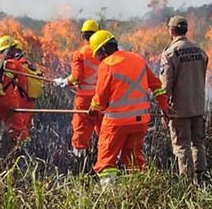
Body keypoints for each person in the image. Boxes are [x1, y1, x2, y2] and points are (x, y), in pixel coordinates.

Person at [87, 30, 168, 186]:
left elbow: (101, 96)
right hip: (140, 122)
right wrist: (164, 107)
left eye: (97, 54)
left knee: (106, 161)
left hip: (116, 122)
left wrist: (94, 107)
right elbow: (156, 86)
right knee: (134, 161)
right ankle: (138, 193)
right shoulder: (138, 59)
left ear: (104, 50)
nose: (98, 59)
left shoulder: (107, 64)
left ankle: (110, 198)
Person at [159, 15, 209, 183]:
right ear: (185, 30)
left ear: (171, 30)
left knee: (182, 146)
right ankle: (201, 180)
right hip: (198, 106)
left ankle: (187, 185)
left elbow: (165, 86)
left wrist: (164, 110)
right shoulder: (199, 50)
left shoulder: (170, 53)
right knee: (198, 144)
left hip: (179, 110)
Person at [54, 20, 103, 157]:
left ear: (83, 36)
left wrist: (64, 82)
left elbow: (76, 78)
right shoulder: (104, 52)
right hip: (103, 97)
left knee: (81, 128)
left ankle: (80, 159)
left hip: (84, 98)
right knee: (104, 128)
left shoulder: (80, 53)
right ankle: (107, 157)